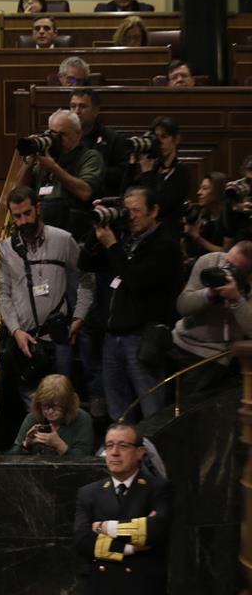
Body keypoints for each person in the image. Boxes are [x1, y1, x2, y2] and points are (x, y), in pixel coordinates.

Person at [73, 422, 172, 595]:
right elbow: (81, 540)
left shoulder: (158, 489)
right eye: (109, 446)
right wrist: (130, 545)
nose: (114, 453)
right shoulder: (89, 493)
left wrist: (106, 528)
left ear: (140, 452)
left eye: (123, 446)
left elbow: (157, 531)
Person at [88, 186, 182, 420]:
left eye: (137, 210)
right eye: (126, 210)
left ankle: (152, 455)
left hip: (142, 338)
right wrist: (98, 227)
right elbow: (86, 262)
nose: (130, 216)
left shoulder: (165, 245)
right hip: (112, 337)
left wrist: (112, 246)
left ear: (154, 210)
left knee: (152, 410)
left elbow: (137, 281)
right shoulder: (123, 239)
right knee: (118, 413)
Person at [168, 240, 252, 403]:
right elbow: (183, 306)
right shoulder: (209, 262)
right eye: (227, 262)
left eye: (234, 268)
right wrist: (208, 294)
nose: (225, 270)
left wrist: (236, 299)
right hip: (179, 342)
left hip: (212, 357)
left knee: (187, 411)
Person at [17, 109, 103, 240]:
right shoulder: (45, 157)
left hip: (73, 230)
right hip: (41, 228)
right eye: (52, 134)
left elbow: (85, 192)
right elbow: (19, 191)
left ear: (78, 134)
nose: (55, 139)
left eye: (62, 135)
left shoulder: (89, 156)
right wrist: (30, 159)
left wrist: (53, 168)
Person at [124, 116, 188, 235]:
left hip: (167, 235)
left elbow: (160, 206)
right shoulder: (152, 167)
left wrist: (147, 174)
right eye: (156, 138)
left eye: (164, 137)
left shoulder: (181, 170)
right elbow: (126, 193)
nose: (159, 142)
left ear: (176, 139)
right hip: (142, 233)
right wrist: (132, 164)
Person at [10, 374, 95, 456]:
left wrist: (59, 445)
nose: (50, 411)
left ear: (67, 404)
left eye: (55, 406)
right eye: (45, 405)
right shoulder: (33, 417)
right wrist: (26, 444)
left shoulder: (82, 419)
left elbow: (83, 459)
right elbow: (10, 458)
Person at [69, 89, 127, 198]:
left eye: (82, 106)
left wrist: (93, 170)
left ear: (95, 111)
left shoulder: (113, 138)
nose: (76, 111)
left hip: (100, 197)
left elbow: (122, 174)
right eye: (73, 106)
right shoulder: (64, 136)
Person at [183, 173, 229, 259]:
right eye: (200, 188)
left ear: (217, 191)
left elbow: (225, 252)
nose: (198, 193)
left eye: (205, 188)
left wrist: (197, 237)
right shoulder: (204, 214)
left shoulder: (228, 218)